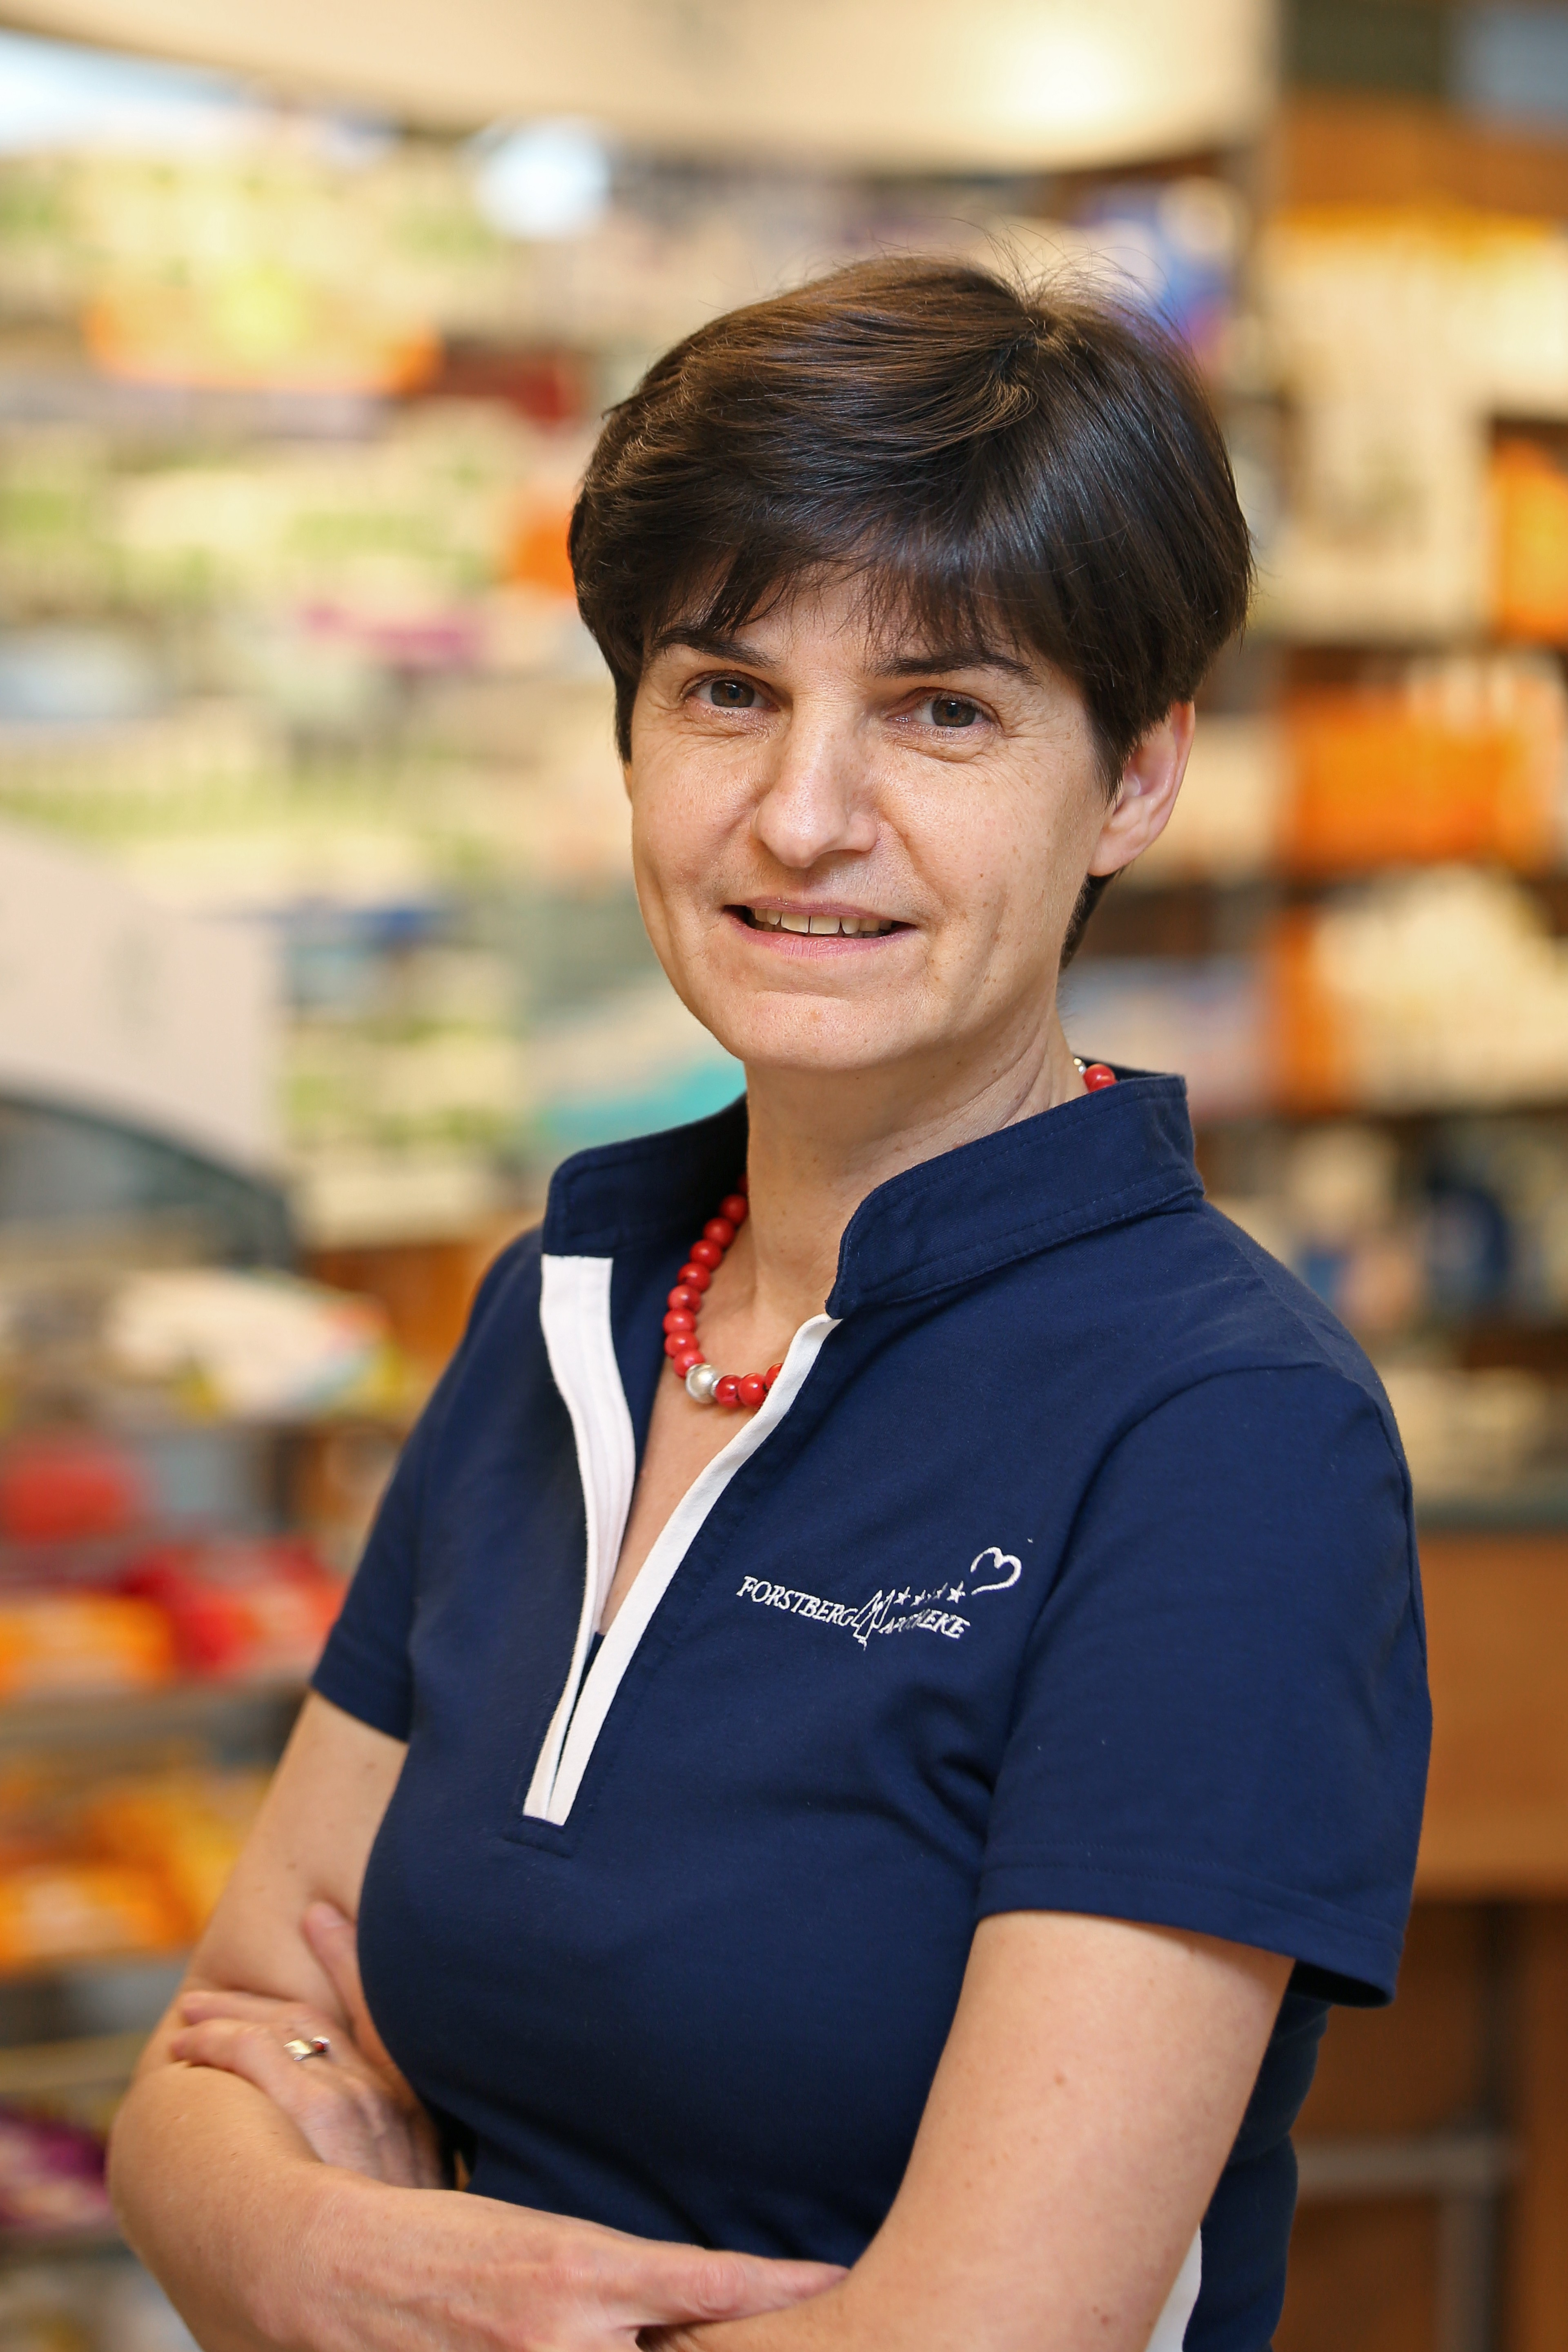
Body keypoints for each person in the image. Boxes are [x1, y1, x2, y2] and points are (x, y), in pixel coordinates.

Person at [109, 258, 1430, 2352]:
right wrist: (308, 2252)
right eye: (728, 689)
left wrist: (400, 2278)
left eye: (945, 709)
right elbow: (214, 2056)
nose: (804, 815)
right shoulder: (564, 1313)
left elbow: (990, 2332)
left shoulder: (1221, 1433)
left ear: (1141, 778)